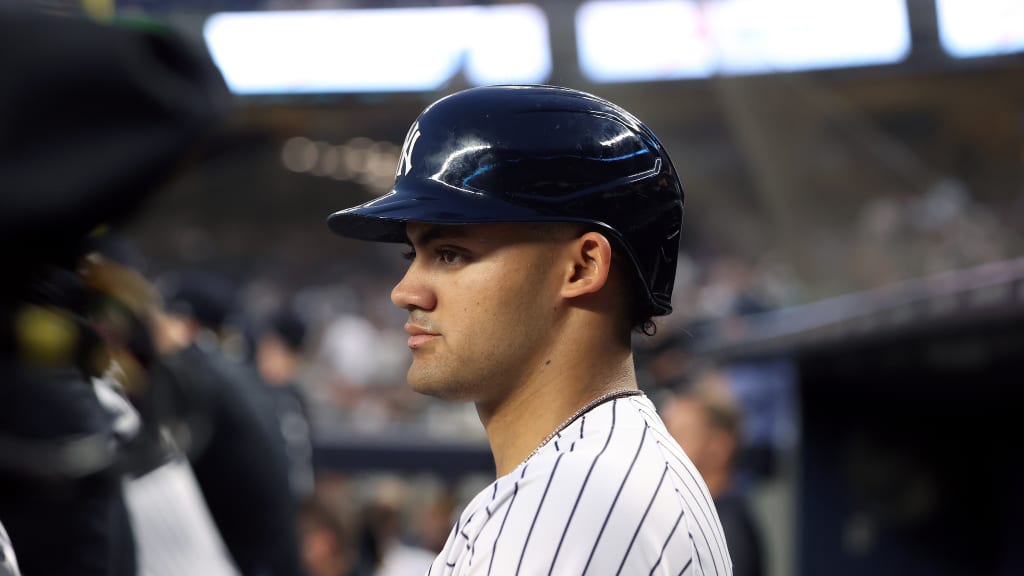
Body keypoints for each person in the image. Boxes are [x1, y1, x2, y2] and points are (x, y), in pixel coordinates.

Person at [326, 85, 732, 575]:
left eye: (451, 253)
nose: (406, 291)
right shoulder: (596, 473)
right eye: (415, 256)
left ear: (582, 267)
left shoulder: (575, 504)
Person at [661, 369, 765, 576]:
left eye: (679, 435)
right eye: (664, 433)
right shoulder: (689, 515)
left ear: (719, 447)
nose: (663, 446)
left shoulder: (726, 529)